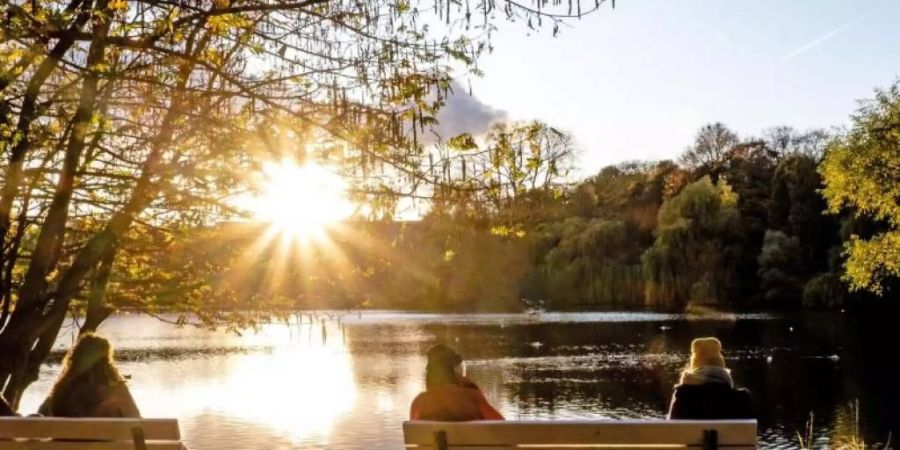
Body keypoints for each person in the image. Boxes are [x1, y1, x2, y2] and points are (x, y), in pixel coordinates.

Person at [38, 333, 140, 418]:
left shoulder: (62, 387)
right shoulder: (117, 389)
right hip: (108, 441)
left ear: (76, 357)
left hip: (65, 441)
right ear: (106, 360)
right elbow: (136, 420)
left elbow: (42, 414)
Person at [410, 344, 504, 421]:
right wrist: (474, 389)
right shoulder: (472, 397)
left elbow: (413, 433)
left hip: (433, 444)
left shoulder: (420, 401)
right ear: (453, 372)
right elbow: (501, 424)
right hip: (472, 443)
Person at [668, 337, 754, 420]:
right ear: (720, 361)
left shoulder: (682, 395)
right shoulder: (742, 399)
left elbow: (672, 430)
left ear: (694, 362)